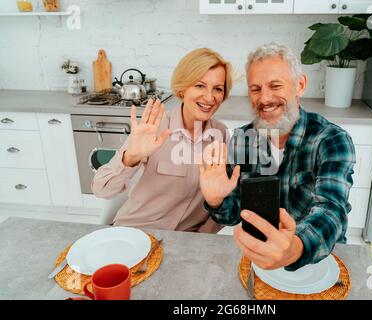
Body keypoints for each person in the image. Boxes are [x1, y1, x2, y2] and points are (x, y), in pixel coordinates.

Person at [199, 42, 356, 270]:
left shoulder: (331, 140)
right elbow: (233, 216)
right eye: (255, 89)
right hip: (259, 255)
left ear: (299, 85)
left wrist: (294, 247)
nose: (264, 98)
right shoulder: (242, 139)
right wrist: (217, 200)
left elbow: (332, 211)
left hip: (316, 256)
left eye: (275, 86)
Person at [92, 48, 233, 233]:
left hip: (187, 241)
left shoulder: (220, 134)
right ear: (183, 89)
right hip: (136, 231)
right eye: (200, 85)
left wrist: (201, 239)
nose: (209, 97)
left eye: (218, 89)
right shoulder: (154, 127)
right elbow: (101, 190)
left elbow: (220, 202)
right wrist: (130, 158)